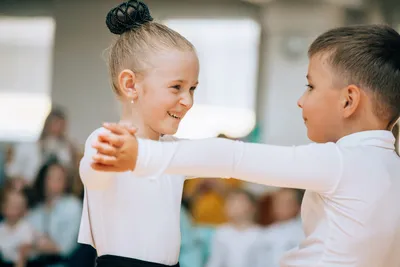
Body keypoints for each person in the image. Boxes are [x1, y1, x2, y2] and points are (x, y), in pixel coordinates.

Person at [93, 24, 400, 267]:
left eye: (310, 85)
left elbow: (232, 156)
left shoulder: (340, 161)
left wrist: (142, 153)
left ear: (348, 100)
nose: (300, 99)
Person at [78, 0, 200, 267]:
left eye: (192, 89)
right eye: (177, 87)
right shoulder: (103, 140)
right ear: (131, 85)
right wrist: (108, 159)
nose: (188, 101)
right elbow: (93, 176)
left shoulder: (174, 150)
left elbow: (229, 157)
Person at [206, 189, 264, 267]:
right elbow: (215, 261)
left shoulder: (260, 235)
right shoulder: (221, 232)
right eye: (229, 201)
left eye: (237, 201)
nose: (231, 204)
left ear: (252, 208)